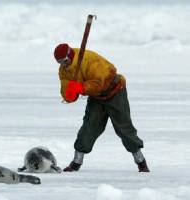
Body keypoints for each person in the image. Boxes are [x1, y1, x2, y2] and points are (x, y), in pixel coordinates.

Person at [54, 43, 150, 172]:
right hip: (96, 97)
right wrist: (69, 95)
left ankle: (141, 161)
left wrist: (82, 88)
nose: (63, 65)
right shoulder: (64, 70)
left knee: (124, 128)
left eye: (65, 61)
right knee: (89, 127)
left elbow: (100, 83)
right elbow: (67, 90)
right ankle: (76, 162)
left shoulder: (89, 60)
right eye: (60, 63)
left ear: (70, 55)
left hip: (115, 91)